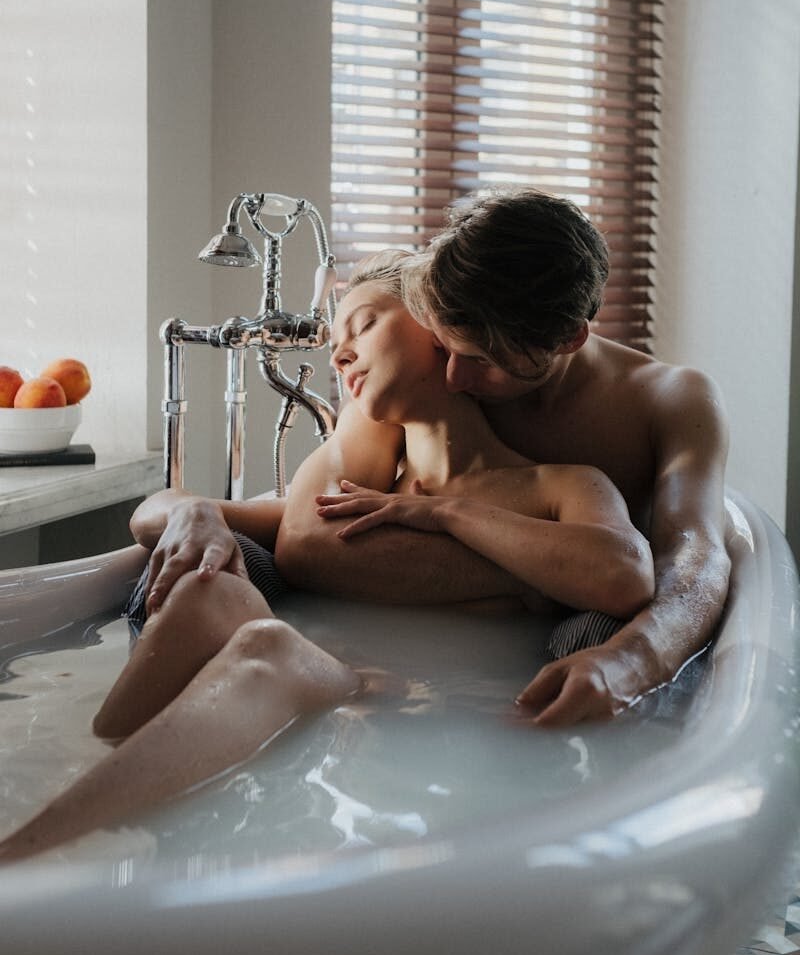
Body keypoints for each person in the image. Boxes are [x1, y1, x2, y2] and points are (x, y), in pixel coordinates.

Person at [0, 251, 652, 862]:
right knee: (210, 593)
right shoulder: (360, 495)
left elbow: (624, 571)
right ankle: (60, 818)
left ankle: (30, 867)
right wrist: (197, 511)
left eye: (364, 325)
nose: (339, 351)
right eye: (338, 338)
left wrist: (447, 512)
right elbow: (160, 513)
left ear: (443, 328)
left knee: (268, 649)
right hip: (327, 694)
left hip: (437, 711)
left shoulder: (560, 485)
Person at [121, 185, 730, 723]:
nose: (454, 374)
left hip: (519, 667)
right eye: (443, 343)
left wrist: (632, 661)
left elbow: (693, 563)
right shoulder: (415, 382)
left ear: (570, 338)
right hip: (399, 660)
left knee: (614, 643)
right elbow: (308, 539)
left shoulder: (668, 402)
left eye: (484, 363)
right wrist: (550, 579)